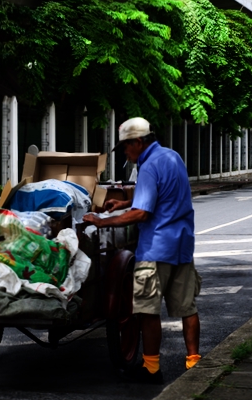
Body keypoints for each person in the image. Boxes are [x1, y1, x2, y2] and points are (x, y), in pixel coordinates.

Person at [83, 117, 200, 384]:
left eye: (126, 147)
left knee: (147, 311)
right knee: (187, 308)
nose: (125, 153)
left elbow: (142, 213)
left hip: (157, 247)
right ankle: (195, 363)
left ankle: (151, 368)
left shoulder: (147, 167)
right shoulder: (172, 157)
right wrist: (122, 202)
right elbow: (160, 194)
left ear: (138, 142)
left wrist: (102, 221)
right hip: (182, 244)